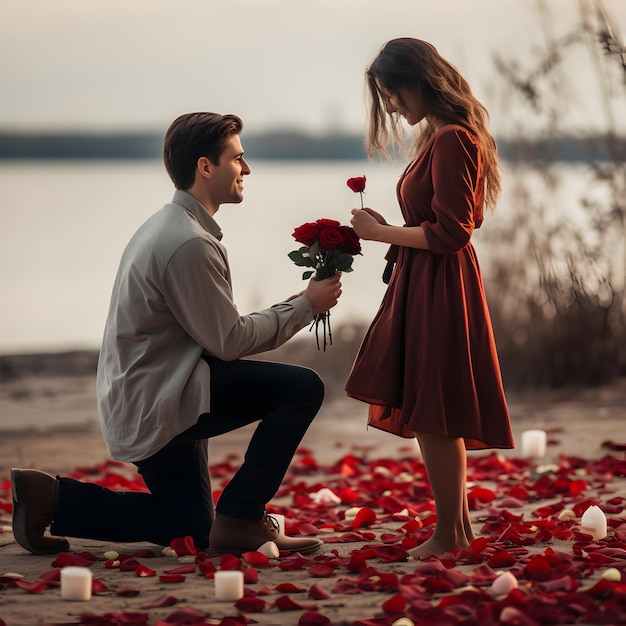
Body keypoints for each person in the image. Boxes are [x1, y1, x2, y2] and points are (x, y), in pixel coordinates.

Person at [11, 112, 342, 557]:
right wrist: (306, 305)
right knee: (302, 388)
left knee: (188, 528)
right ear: (206, 167)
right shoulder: (188, 242)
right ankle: (242, 517)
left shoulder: (167, 225)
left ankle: (48, 497)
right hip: (160, 399)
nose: (247, 169)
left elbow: (212, 340)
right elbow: (228, 341)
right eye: (238, 159)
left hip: (157, 389)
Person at [345, 38, 514, 559]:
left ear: (417, 81)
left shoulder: (452, 140)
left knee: (434, 409)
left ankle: (447, 535)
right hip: (428, 280)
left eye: (391, 95)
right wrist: (390, 233)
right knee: (430, 404)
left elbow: (451, 232)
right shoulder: (440, 138)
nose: (391, 106)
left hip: (441, 282)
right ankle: (458, 532)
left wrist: (381, 235)